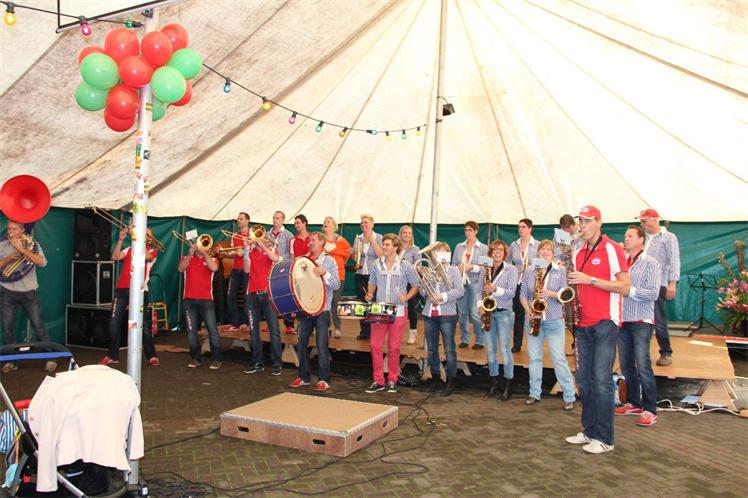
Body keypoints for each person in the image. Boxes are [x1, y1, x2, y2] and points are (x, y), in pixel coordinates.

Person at [565, 205, 629, 455]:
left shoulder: (612, 248)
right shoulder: (578, 250)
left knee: (601, 381)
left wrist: (589, 279)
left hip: (605, 322)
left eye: (588, 220)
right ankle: (590, 430)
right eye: (581, 221)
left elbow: (624, 286)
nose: (583, 225)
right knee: (584, 380)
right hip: (582, 323)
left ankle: (605, 438)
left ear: (599, 222)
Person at [520, 240, 576, 410]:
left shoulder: (560, 271)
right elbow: (523, 294)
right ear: (538, 252)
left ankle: (569, 395)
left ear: (553, 253)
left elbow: (565, 295)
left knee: (558, 358)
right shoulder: (529, 271)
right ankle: (534, 393)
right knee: (534, 358)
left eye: (548, 250)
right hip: (533, 319)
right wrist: (528, 311)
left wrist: (550, 293)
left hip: (554, 320)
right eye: (542, 249)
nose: (544, 252)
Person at [616, 225, 661, 427]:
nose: (626, 239)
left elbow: (653, 294)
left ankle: (650, 409)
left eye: (630, 236)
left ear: (641, 239)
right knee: (626, 365)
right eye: (625, 236)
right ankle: (633, 402)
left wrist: (629, 290)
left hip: (641, 320)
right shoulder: (621, 263)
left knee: (643, 365)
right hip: (622, 320)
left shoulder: (651, 263)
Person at [364, 234, 419, 394]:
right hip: (380, 309)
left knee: (394, 347)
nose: (384, 247)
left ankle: (393, 379)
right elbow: (372, 282)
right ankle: (378, 380)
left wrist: (407, 297)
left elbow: (416, 284)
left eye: (387, 244)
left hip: (399, 310)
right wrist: (369, 294)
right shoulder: (376, 263)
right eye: (383, 244)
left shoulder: (405, 265)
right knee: (375, 345)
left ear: (396, 247)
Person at [100, 227, 160, 367]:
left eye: (147, 234)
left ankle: (151, 355)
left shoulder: (152, 251)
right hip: (122, 290)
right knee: (114, 322)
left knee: (145, 324)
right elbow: (115, 257)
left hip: (140, 290)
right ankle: (112, 355)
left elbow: (147, 257)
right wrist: (121, 240)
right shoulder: (128, 249)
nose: (144, 235)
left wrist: (140, 240)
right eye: (143, 232)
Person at [288, 232, 341, 391]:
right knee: (301, 343)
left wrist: (325, 273)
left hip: (322, 310)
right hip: (305, 309)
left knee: (321, 345)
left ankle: (324, 379)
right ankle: (304, 377)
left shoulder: (330, 261)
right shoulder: (303, 260)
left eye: (313, 240)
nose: (309, 243)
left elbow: (336, 285)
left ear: (321, 242)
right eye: (309, 240)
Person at [0, 220, 54, 373]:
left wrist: (22, 250)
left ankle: (50, 358)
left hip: (29, 292)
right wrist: (10, 257)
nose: (11, 232)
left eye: (15, 229)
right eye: (9, 229)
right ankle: (11, 361)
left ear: (22, 230)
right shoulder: (2, 245)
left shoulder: (33, 245)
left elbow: (42, 262)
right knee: (7, 328)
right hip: (7, 292)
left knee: (38, 326)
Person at [637, 208, 680, 366]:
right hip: (640, 284)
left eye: (645, 221)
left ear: (655, 219)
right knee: (641, 319)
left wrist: (672, 282)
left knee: (658, 319)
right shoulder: (643, 237)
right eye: (641, 222)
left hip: (658, 284)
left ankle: (666, 352)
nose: (642, 224)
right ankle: (641, 352)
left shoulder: (669, 238)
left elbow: (674, 260)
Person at [420, 242, 464, 396]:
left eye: (444, 252)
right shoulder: (430, 269)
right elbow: (422, 292)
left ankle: (451, 381)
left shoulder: (453, 270)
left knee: (449, 349)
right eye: (437, 252)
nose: (440, 255)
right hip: (430, 314)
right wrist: (425, 280)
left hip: (447, 314)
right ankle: (435, 379)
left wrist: (442, 297)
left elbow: (460, 291)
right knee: (432, 349)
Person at [482, 240, 519, 401]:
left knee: (505, 350)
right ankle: (494, 383)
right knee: (490, 351)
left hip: (504, 313)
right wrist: (480, 305)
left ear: (505, 254)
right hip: (488, 313)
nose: (497, 252)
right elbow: (480, 290)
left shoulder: (512, 269)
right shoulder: (485, 269)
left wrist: (495, 289)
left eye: (500, 250)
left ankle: (508, 385)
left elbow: (511, 293)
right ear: (490, 252)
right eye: (494, 250)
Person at [178, 241, 224, 369]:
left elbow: (214, 268)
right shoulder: (186, 258)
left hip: (206, 300)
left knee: (212, 330)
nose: (199, 247)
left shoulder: (212, 259)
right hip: (189, 300)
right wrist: (189, 255)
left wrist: (205, 254)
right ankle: (195, 358)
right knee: (191, 331)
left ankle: (217, 359)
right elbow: (180, 269)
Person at [243, 231, 282, 375]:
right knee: (253, 331)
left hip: (268, 295)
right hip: (252, 294)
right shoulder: (251, 251)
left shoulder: (271, 248)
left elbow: (275, 259)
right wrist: (246, 250)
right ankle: (257, 362)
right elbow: (246, 269)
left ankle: (277, 363)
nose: (255, 238)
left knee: (274, 330)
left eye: (258, 236)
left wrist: (262, 245)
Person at [452, 221, 488, 350]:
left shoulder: (483, 248)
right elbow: (453, 264)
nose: (467, 232)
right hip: (461, 283)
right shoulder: (459, 247)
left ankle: (480, 340)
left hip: (476, 283)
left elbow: (486, 267)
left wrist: (472, 267)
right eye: (466, 230)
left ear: (476, 231)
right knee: (462, 314)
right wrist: (458, 268)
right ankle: (464, 339)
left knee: (475, 313)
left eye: (470, 230)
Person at [350, 214, 383, 340]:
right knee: (361, 303)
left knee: (373, 303)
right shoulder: (358, 238)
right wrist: (353, 254)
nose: (363, 225)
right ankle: (364, 331)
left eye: (366, 222)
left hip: (374, 275)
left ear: (372, 224)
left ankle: (375, 331)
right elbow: (356, 258)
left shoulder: (379, 237)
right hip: (360, 274)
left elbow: (381, 255)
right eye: (362, 222)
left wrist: (372, 240)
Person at [509, 218, 539, 353]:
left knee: (533, 312)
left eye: (523, 227)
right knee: (519, 314)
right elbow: (508, 262)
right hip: (517, 283)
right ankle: (517, 344)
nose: (520, 229)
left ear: (530, 229)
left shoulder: (538, 245)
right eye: (519, 227)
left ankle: (535, 342)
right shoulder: (514, 245)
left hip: (532, 283)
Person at [321, 216, 350, 338]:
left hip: (338, 275)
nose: (325, 223)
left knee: (335, 302)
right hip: (323, 275)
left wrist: (339, 264)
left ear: (334, 226)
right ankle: (326, 326)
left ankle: (338, 327)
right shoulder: (320, 239)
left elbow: (348, 253)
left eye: (328, 221)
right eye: (324, 221)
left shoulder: (341, 240)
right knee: (324, 302)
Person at [267, 210, 295, 335]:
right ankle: (271, 324)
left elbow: (291, 254)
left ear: (283, 220)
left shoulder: (289, 235)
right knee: (270, 297)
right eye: (274, 217)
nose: (275, 220)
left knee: (286, 296)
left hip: (282, 268)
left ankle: (289, 324)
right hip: (269, 269)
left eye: (277, 218)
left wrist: (279, 258)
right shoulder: (267, 234)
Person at [221, 212, 250, 332]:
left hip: (248, 269)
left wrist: (245, 251)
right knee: (230, 295)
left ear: (247, 221)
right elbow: (233, 253)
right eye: (238, 219)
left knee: (247, 296)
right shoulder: (234, 236)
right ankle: (235, 323)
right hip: (236, 268)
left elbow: (256, 251)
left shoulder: (252, 234)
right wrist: (228, 253)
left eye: (241, 219)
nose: (239, 220)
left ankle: (247, 322)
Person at [399, 225, 420, 345]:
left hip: (409, 283)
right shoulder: (395, 247)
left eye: (409, 233)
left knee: (411, 308)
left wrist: (406, 267)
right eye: (404, 233)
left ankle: (413, 332)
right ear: (400, 234)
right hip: (396, 282)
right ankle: (396, 332)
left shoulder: (415, 249)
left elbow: (418, 266)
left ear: (412, 235)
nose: (407, 235)